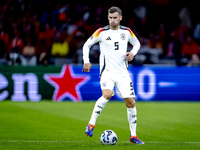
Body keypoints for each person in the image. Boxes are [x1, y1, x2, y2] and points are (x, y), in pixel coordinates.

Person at [82, 6, 144, 144]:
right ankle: (91, 124)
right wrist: (86, 61)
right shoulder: (101, 32)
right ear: (108, 18)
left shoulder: (127, 31)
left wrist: (133, 53)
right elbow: (86, 45)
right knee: (107, 94)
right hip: (107, 72)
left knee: (131, 102)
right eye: (110, 18)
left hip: (122, 73)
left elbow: (137, 43)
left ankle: (133, 136)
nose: (112, 20)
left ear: (120, 18)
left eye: (115, 18)